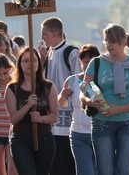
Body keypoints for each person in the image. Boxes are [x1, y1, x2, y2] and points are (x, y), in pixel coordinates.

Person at [81, 24, 129, 175]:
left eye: (113, 41)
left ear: (124, 42)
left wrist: (117, 109)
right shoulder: (96, 62)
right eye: (107, 41)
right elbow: (84, 92)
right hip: (101, 123)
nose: (109, 44)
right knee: (105, 170)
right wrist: (91, 101)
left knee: (124, 169)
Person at [5, 47, 58, 175]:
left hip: (45, 139)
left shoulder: (48, 87)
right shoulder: (13, 88)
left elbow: (55, 116)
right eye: (26, 61)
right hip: (21, 141)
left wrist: (41, 119)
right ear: (20, 64)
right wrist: (28, 105)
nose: (30, 64)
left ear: (39, 63)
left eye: (34, 60)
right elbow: (13, 119)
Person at [39, 17, 81, 175]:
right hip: (52, 113)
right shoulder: (49, 52)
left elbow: (78, 79)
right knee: (54, 159)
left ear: (55, 33)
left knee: (67, 158)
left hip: (68, 113)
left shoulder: (71, 52)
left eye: (45, 33)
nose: (42, 37)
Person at [58, 44, 100, 175]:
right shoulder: (72, 80)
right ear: (81, 62)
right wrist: (63, 96)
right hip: (79, 134)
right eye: (86, 61)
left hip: (101, 135)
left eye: (93, 61)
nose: (89, 64)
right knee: (85, 171)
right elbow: (62, 103)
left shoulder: (103, 81)